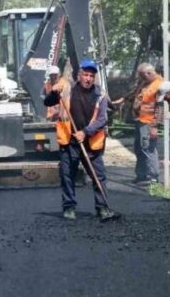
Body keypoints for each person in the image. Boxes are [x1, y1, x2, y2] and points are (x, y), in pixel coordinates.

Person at [43, 59, 119, 222]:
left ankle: (102, 208)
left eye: (91, 75)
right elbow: (47, 102)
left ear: (94, 77)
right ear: (79, 75)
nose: (88, 78)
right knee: (67, 176)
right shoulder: (67, 90)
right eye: (85, 74)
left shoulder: (101, 95)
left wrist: (85, 132)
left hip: (91, 143)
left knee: (99, 176)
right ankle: (69, 207)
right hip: (69, 141)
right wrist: (54, 92)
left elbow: (101, 120)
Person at [113, 63, 163, 185]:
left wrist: (155, 126)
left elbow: (160, 108)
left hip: (149, 122)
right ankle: (141, 175)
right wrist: (123, 99)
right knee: (139, 148)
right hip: (140, 120)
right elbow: (135, 93)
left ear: (149, 73)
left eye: (142, 76)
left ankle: (152, 177)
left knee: (148, 148)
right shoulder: (145, 82)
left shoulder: (160, 85)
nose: (141, 79)